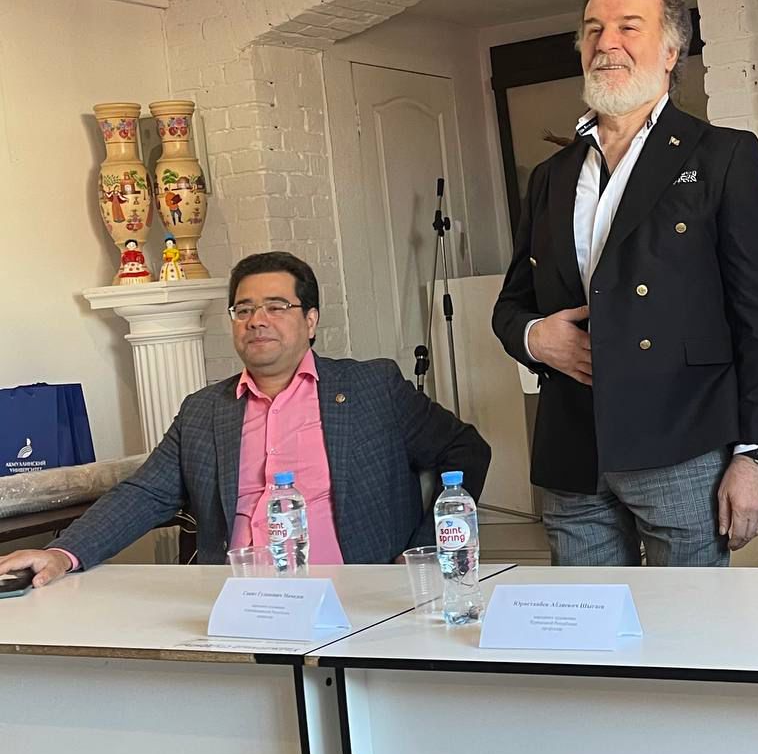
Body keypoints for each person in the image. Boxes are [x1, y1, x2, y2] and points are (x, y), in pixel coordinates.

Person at [492, 0, 758, 566]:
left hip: (684, 445)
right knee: (589, 622)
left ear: (671, 51)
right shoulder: (550, 177)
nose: (607, 43)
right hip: (573, 450)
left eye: (629, 27)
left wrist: (754, 455)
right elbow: (511, 306)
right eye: (593, 29)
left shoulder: (722, 155)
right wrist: (533, 337)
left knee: (690, 620)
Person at [0, 251, 490, 586]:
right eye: (244, 309)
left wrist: (427, 552)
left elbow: (466, 450)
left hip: (358, 596)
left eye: (277, 307)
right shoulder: (204, 410)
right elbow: (143, 493)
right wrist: (61, 553)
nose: (257, 320)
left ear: (311, 320)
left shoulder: (371, 388)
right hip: (238, 600)